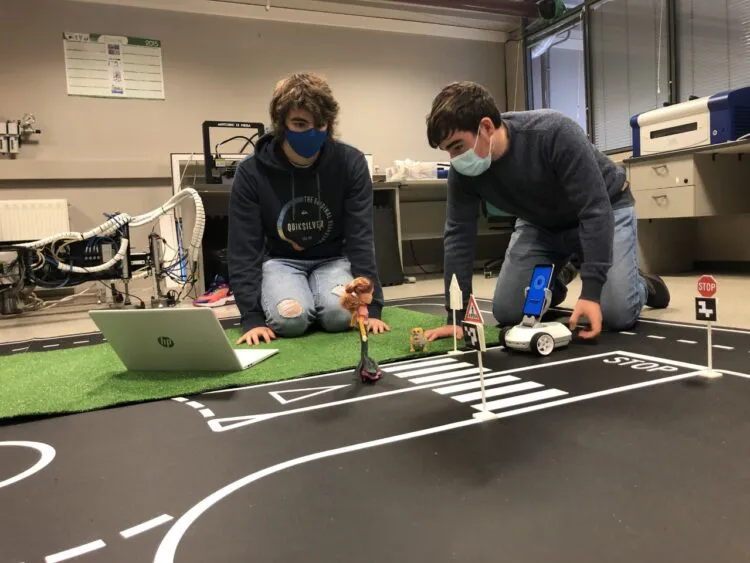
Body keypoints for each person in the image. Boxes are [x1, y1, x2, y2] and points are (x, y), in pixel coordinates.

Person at [422, 81, 670, 342]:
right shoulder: (463, 173)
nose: (454, 158)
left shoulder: (552, 132)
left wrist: (592, 292)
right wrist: (457, 315)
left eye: (458, 146)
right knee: (509, 311)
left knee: (616, 313)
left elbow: (595, 210)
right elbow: (458, 237)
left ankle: (641, 285)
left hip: (607, 208)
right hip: (540, 224)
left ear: (485, 127)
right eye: (447, 150)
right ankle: (560, 276)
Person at [228, 72, 389, 346]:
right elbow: (244, 248)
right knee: (290, 320)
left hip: (333, 260)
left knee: (341, 318)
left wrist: (371, 306)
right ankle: (304, 300)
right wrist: (252, 317)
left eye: (320, 124)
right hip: (280, 262)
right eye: (300, 123)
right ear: (282, 124)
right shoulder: (251, 172)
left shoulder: (351, 163)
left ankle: (322, 301)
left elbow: (361, 237)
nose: (311, 133)